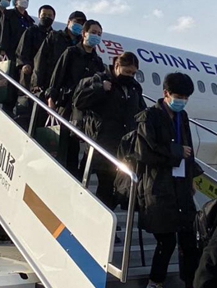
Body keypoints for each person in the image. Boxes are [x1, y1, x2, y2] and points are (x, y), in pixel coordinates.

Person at [136, 72, 210, 288]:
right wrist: (177, 152)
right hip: (159, 186)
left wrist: (191, 178)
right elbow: (145, 152)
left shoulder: (182, 116)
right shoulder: (149, 116)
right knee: (166, 240)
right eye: (178, 97)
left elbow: (189, 151)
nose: (182, 101)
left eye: (186, 97)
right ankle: (154, 285)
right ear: (166, 93)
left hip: (181, 185)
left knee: (190, 240)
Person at [73, 51, 146, 208]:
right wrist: (99, 88)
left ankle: (103, 218)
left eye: (133, 73)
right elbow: (79, 101)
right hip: (102, 144)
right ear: (117, 66)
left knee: (112, 189)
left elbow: (141, 112)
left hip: (123, 147)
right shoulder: (100, 79)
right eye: (127, 71)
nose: (130, 76)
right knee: (98, 184)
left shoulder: (134, 88)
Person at [48, 19, 106, 176]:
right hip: (66, 105)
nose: (96, 36)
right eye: (93, 32)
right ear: (84, 33)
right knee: (62, 146)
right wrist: (51, 98)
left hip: (83, 110)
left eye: (99, 34)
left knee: (74, 150)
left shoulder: (98, 61)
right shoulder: (71, 53)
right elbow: (58, 76)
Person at [32, 10, 86, 97]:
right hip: (48, 82)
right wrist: (37, 82)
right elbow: (40, 58)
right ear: (69, 22)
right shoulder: (55, 36)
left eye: (82, 24)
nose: (80, 25)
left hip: (67, 89)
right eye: (77, 22)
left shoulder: (81, 45)